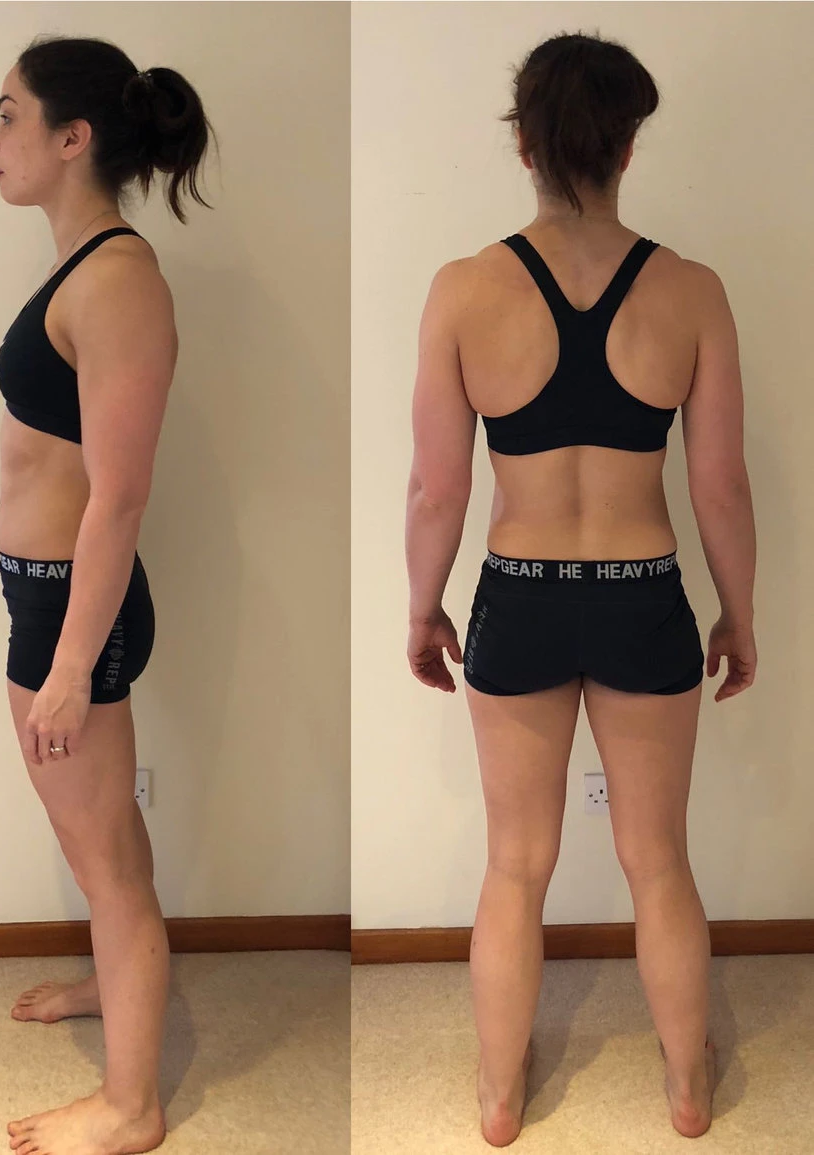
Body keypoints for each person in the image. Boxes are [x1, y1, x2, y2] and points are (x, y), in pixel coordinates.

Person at [405, 32, 757, 1147]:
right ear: (630, 143)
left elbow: (433, 488)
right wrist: (740, 614)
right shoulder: (692, 293)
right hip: (643, 592)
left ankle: (502, 1099)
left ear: (523, 145)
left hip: (519, 593)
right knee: (660, 861)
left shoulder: (464, 290)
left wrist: (423, 606)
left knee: (515, 863)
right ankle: (689, 1092)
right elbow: (721, 487)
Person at [0, 34, 211, 1155]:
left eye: (9, 115)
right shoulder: (81, 270)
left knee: (109, 860)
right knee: (101, 844)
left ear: (73, 139)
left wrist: (72, 668)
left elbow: (118, 499)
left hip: (81, 605)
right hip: (48, 594)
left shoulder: (118, 282)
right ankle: (112, 988)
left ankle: (132, 1107)